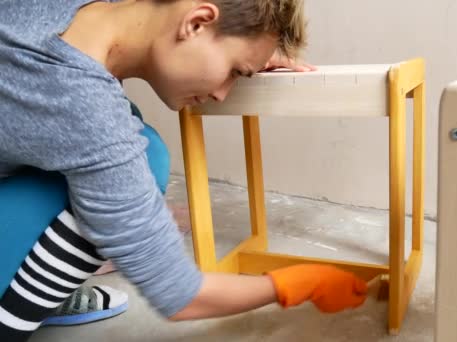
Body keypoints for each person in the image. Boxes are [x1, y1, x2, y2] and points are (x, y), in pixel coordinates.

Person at [0, 0, 368, 340]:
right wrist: (296, 283)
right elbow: (178, 294)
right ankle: (10, 314)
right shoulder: (80, 103)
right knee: (144, 156)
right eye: (234, 72)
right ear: (197, 23)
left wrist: (248, 55)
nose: (224, 93)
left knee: (127, 130)